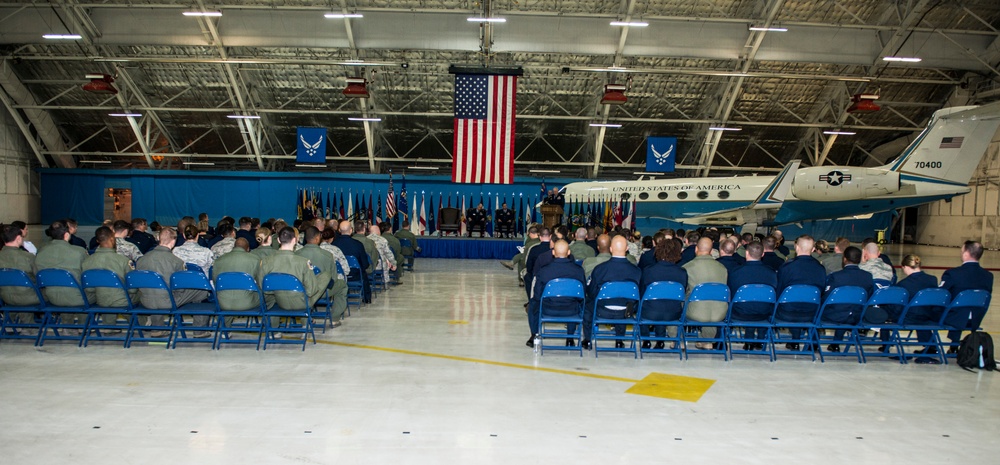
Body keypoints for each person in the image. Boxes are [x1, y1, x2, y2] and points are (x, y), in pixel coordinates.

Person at [136, 227, 210, 337]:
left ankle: (157, 328)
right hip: (168, 302)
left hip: (146, 301)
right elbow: (180, 288)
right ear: (173, 241)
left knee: (156, 290)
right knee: (202, 290)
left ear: (158, 239)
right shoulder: (176, 261)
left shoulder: (141, 260)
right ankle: (199, 330)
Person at [258, 227, 330, 334]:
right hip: (301, 303)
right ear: (295, 240)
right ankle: (305, 325)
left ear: (278, 240)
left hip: (279, 301)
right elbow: (311, 291)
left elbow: (262, 287)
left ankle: (275, 330)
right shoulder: (303, 262)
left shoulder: (266, 261)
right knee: (325, 276)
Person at [582, 236, 641, 350]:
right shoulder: (636, 271)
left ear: (611, 249)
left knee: (588, 305)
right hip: (625, 312)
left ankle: (588, 340)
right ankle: (619, 340)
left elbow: (591, 291)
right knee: (624, 301)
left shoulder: (600, 269)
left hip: (602, 310)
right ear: (627, 248)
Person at [527, 240, 585, 348]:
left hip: (548, 309)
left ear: (553, 252)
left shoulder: (544, 271)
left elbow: (537, 295)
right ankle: (570, 337)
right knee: (576, 302)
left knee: (532, 304)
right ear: (568, 253)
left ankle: (534, 335)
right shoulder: (579, 271)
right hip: (571, 310)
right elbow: (583, 293)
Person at [940, 240, 994, 350]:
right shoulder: (988, 276)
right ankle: (954, 345)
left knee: (929, 311)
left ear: (966, 253)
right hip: (975, 318)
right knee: (962, 306)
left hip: (954, 317)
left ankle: (931, 346)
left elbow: (940, 295)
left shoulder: (953, 273)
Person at [775, 235, 826, 349]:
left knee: (793, 301)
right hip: (812, 312)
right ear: (813, 249)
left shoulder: (786, 267)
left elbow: (779, 291)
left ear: (796, 247)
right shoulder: (820, 269)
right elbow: (821, 291)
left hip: (787, 312)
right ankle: (813, 342)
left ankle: (795, 341)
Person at [34, 221, 92, 320]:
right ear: (66, 235)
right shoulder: (79, 252)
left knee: (65, 288)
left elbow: (37, 275)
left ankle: (67, 325)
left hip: (51, 297)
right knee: (88, 291)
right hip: (77, 298)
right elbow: (88, 276)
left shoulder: (41, 251)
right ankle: (84, 326)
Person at [82, 226, 136, 332]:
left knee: (105, 293)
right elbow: (132, 288)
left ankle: (108, 325)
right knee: (138, 292)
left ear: (97, 241)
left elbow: (89, 288)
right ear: (112, 239)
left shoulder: (87, 261)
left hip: (100, 299)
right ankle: (142, 323)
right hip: (123, 300)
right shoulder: (123, 260)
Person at [821, 246, 874, 352]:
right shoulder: (868, 277)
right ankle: (836, 342)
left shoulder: (836, 277)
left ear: (844, 259)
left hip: (835, 315)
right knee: (848, 308)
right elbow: (870, 297)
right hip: (857, 316)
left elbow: (826, 298)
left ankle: (813, 343)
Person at [638, 237, 688, 349]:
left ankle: (645, 340)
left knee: (650, 304)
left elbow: (642, 293)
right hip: (674, 313)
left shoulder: (649, 270)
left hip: (650, 312)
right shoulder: (682, 273)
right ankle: (660, 340)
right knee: (665, 303)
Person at [682, 237, 729, 348]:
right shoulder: (722, 268)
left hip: (695, 311)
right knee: (711, 301)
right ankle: (707, 340)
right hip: (720, 313)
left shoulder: (687, 268)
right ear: (712, 251)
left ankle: (678, 339)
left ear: (696, 249)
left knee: (678, 299)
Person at [893, 254, 941, 361]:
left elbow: (897, 307)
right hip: (928, 315)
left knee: (901, 311)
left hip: (909, 318)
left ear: (905, 267)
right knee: (921, 310)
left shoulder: (903, 284)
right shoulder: (932, 279)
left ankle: (886, 343)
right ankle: (930, 345)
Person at [296, 227, 347, 326]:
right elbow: (333, 278)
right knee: (342, 285)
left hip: (302, 291)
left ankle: (305, 320)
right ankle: (335, 318)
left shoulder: (296, 254)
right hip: (322, 291)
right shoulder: (327, 255)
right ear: (317, 238)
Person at [211, 237, 263, 326]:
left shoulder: (218, 260)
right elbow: (261, 283)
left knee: (227, 294)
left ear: (234, 247)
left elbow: (216, 283)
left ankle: (225, 327)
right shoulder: (255, 260)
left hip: (223, 302)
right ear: (248, 249)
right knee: (270, 297)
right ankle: (272, 329)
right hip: (247, 302)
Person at [0, 224, 40, 328]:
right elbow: (39, 278)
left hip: (5, 297)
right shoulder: (28, 257)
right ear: (18, 238)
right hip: (29, 297)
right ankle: (28, 326)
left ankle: (11, 322)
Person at [333, 220, 372, 303]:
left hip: (339, 274)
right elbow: (365, 264)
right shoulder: (358, 244)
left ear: (339, 230)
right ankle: (366, 298)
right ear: (351, 230)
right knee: (364, 273)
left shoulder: (334, 244)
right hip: (355, 274)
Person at [524, 228, 554, 300]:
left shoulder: (534, 249)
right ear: (550, 236)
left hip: (537, 276)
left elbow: (529, 266)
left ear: (540, 237)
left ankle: (531, 300)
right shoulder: (554, 249)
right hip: (552, 275)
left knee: (527, 277)